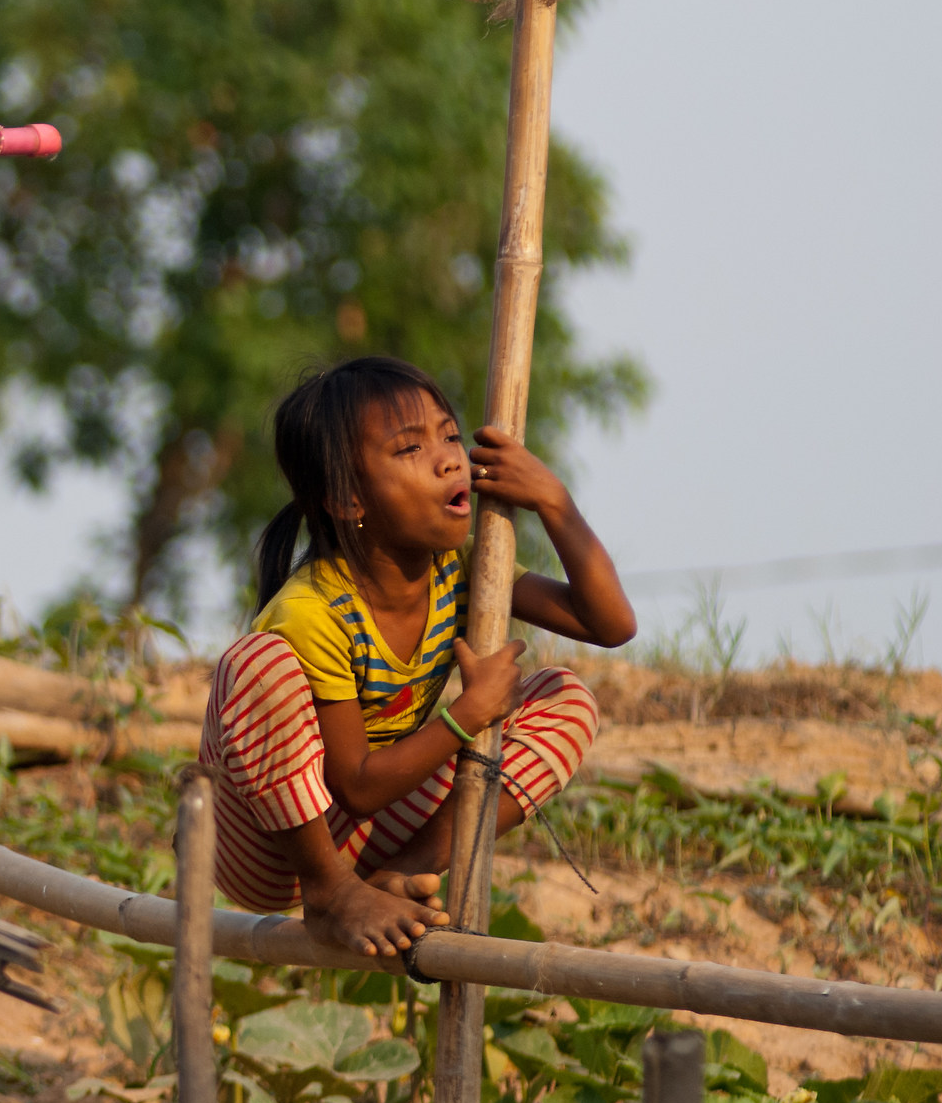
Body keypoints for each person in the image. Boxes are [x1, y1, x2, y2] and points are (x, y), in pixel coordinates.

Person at [199, 356, 636, 956]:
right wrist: (466, 716)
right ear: (349, 497)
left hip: (375, 833)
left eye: (450, 435)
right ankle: (332, 895)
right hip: (274, 849)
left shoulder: (460, 574)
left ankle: (405, 872)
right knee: (256, 663)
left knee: (567, 699)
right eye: (410, 449)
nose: (450, 457)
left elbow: (609, 623)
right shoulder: (313, 610)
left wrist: (554, 503)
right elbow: (354, 786)